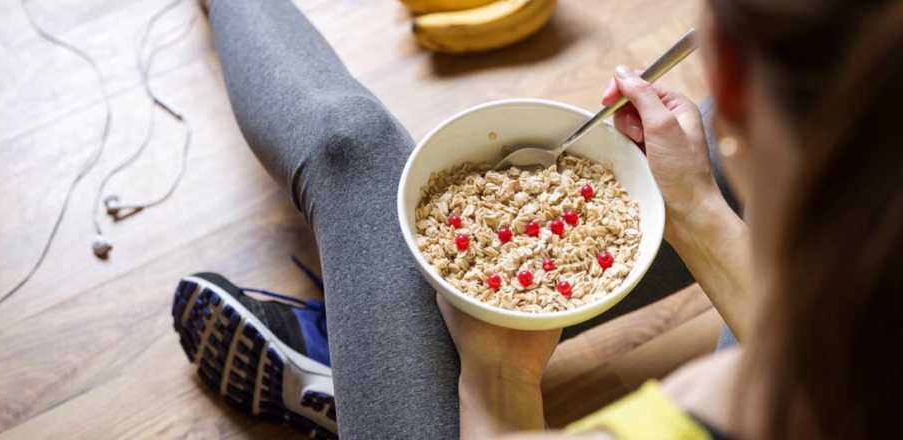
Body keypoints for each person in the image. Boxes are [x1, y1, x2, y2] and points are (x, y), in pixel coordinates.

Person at [175, 0, 903, 438]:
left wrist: (496, 374)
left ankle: (369, 371)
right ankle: (371, 361)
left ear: (733, 73)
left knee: (352, 148)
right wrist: (696, 209)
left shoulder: (705, 411)